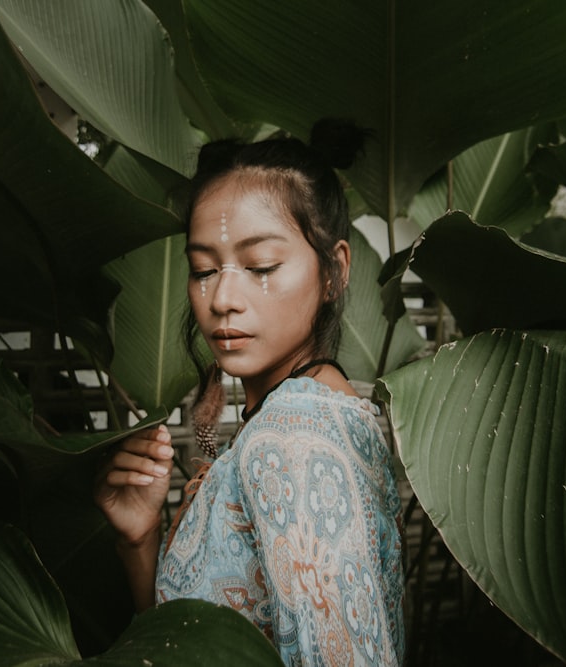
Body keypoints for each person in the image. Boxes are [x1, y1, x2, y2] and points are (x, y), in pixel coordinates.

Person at [95, 119, 404, 666]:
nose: (223, 299)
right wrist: (140, 542)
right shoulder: (319, 410)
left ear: (334, 270)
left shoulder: (293, 437)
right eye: (203, 269)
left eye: (260, 266)